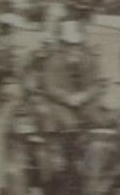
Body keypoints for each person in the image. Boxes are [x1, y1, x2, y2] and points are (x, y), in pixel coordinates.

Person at [31, 20, 114, 175]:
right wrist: (68, 98)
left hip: (85, 101)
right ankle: (59, 155)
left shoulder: (89, 60)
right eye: (69, 45)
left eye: (77, 44)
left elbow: (97, 83)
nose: (74, 49)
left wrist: (85, 95)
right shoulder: (52, 61)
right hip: (60, 103)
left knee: (101, 121)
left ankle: (99, 158)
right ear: (62, 45)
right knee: (68, 124)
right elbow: (50, 87)